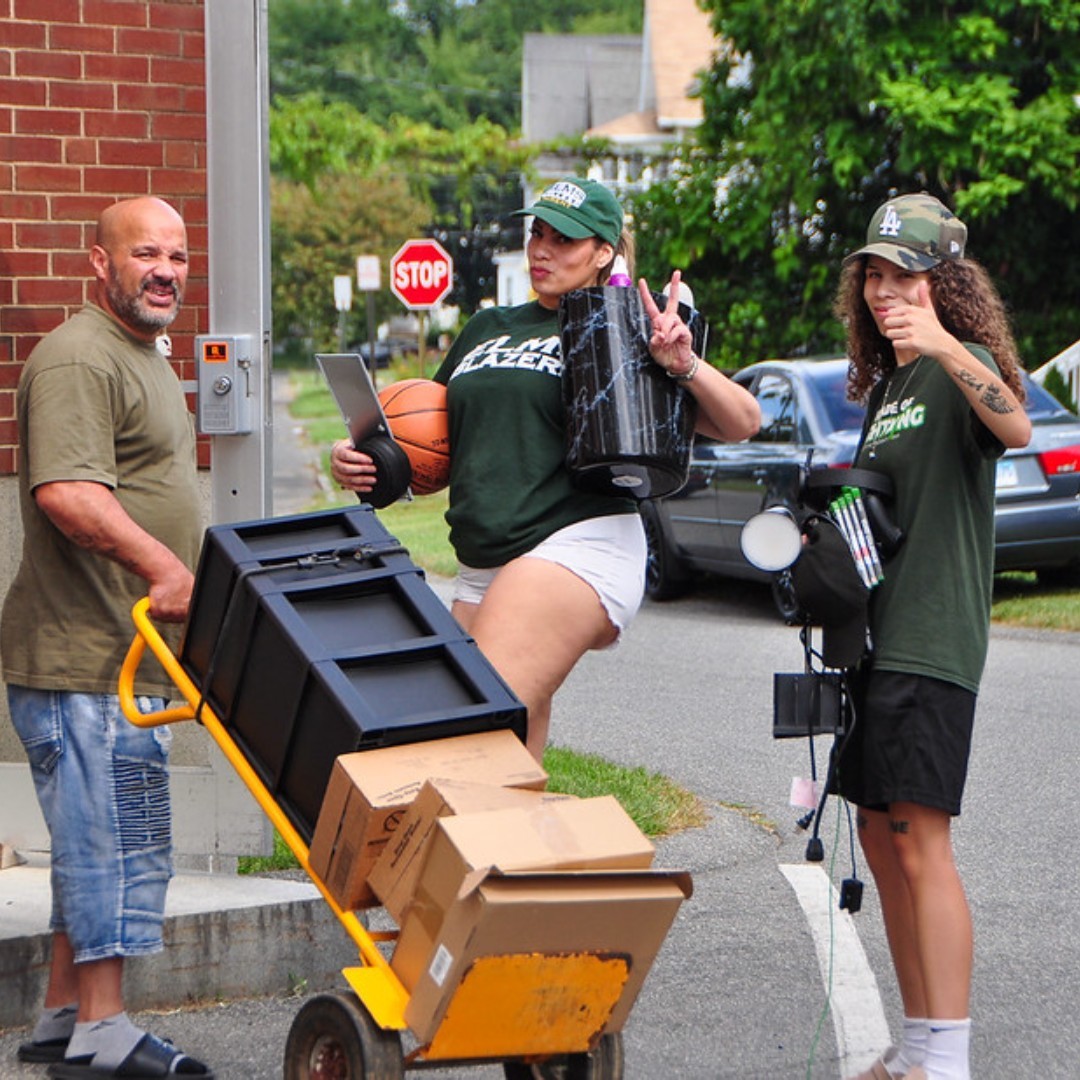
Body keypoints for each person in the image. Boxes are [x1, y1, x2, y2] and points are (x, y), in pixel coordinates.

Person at [331, 177, 760, 759]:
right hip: (484, 562)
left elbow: (741, 421)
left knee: (467, 727)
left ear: (603, 252)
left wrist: (683, 366)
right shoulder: (486, 327)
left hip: (577, 543)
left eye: (564, 239)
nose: (542, 250)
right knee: (504, 761)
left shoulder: (623, 325)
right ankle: (520, 850)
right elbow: (426, 439)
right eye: (538, 233)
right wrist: (364, 459)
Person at [0, 197, 212, 1078]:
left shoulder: (141, 354)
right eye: (144, 253)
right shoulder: (80, 358)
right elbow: (68, 492)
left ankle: (60, 1019)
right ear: (99, 263)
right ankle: (103, 1031)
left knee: (96, 833)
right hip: (86, 657)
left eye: (177, 254)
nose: (165, 269)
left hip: (120, 659)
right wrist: (165, 568)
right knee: (113, 840)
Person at [833, 193, 1030, 1080]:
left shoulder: (962, 366)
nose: (883, 292)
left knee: (921, 838)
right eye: (873, 274)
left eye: (902, 276)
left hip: (933, 637)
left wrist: (951, 347)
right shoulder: (889, 390)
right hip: (873, 641)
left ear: (942, 283)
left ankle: (945, 1060)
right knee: (879, 835)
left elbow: (1014, 424)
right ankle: (915, 1046)